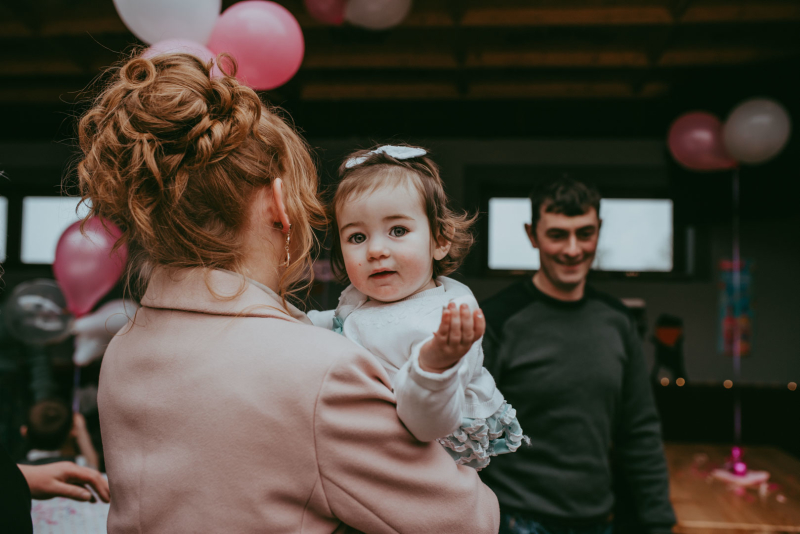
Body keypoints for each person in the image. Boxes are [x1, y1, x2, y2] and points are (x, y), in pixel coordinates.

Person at [78, 53, 499, 533]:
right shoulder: (322, 369)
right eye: (356, 235)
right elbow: (463, 522)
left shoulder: (124, 348)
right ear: (279, 203)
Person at [308, 144, 526, 470]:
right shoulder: (363, 301)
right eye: (357, 237)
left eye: (398, 230)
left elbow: (427, 426)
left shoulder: (446, 325)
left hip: (418, 473)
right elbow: (330, 328)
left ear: (440, 239)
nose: (376, 250)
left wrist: (434, 366)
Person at [479, 178, 676, 534]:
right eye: (557, 234)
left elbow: (640, 431)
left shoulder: (617, 321)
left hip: (599, 520)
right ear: (532, 235)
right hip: (513, 520)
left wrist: (659, 522)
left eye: (584, 233)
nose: (572, 249)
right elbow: (461, 430)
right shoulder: (496, 320)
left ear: (598, 231)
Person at [19, 399, 100, 470]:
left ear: (24, 432)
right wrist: (81, 428)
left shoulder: (19, 471)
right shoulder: (79, 467)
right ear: (73, 431)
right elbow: (94, 468)